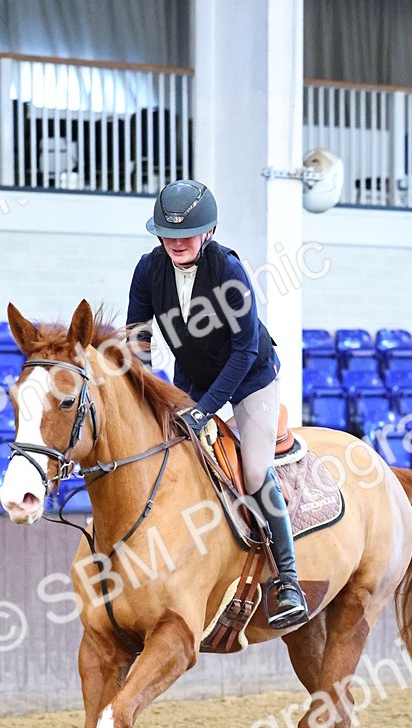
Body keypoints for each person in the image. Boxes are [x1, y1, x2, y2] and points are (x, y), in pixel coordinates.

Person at [125, 178, 309, 631]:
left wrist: (205, 410)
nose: (177, 243)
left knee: (251, 470)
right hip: (192, 376)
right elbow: (137, 338)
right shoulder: (148, 270)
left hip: (251, 377)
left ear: (208, 232)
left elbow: (244, 350)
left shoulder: (228, 270)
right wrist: (146, 388)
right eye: (168, 235)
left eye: (187, 234)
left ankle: (289, 580)